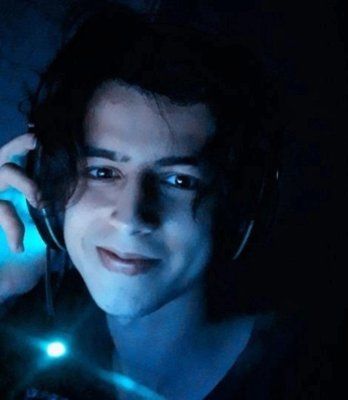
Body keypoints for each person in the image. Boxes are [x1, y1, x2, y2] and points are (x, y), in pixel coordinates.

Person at [0, 5, 287, 399]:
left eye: (180, 180)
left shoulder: (313, 371)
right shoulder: (26, 342)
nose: (131, 217)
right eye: (103, 172)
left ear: (237, 208)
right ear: (46, 191)